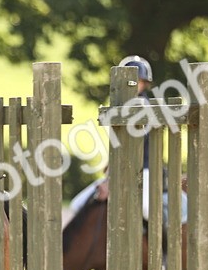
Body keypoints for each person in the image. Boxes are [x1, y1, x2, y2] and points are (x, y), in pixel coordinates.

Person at [65, 55, 187, 227]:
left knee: (145, 208)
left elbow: (135, 145)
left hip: (145, 168)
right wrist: (110, 170)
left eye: (138, 81)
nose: (133, 85)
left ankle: (164, 247)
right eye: (129, 82)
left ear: (145, 83)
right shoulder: (117, 108)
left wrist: (111, 180)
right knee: (77, 204)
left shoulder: (144, 105)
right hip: (121, 169)